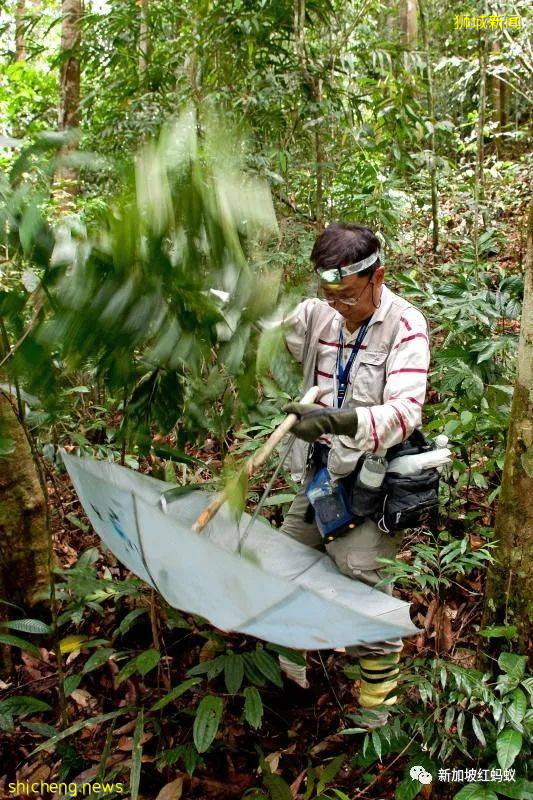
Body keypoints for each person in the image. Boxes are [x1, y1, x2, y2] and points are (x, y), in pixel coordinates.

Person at [277, 222, 430, 728]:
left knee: (363, 584)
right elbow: (271, 333)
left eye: (346, 295)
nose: (335, 305)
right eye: (327, 293)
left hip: (369, 479)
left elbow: (406, 412)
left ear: (378, 277)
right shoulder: (319, 313)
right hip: (321, 475)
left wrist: (343, 421)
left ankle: (375, 718)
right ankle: (292, 679)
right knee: (284, 564)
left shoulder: (405, 324)